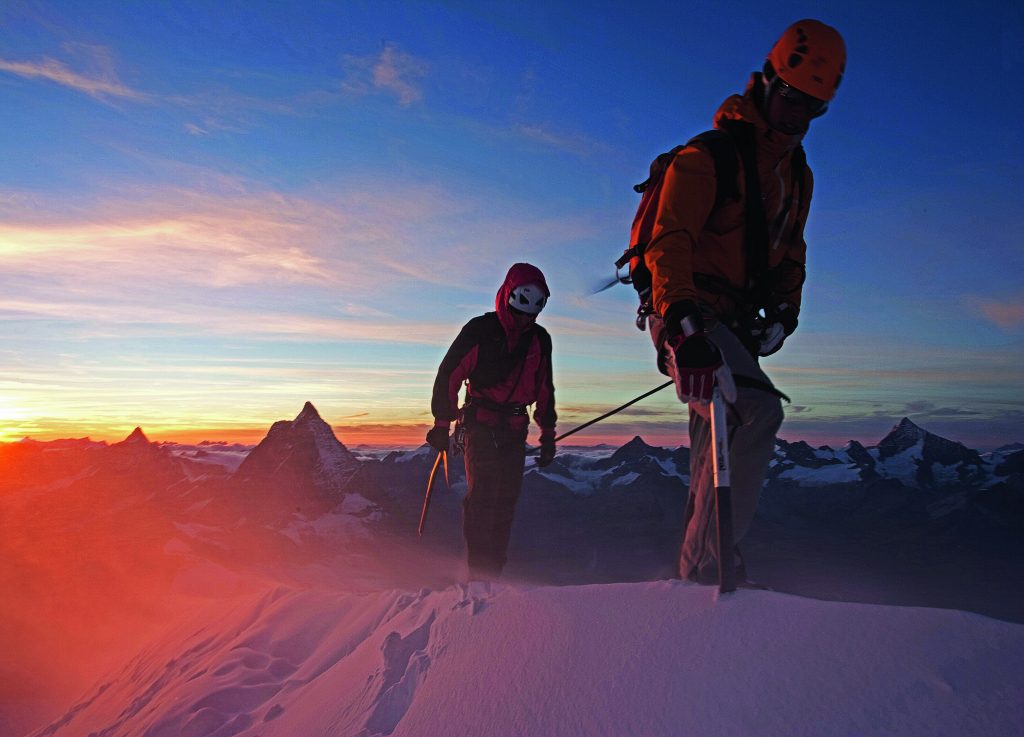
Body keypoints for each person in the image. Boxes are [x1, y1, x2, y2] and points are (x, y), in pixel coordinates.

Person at [643, 20, 846, 584]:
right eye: (791, 97)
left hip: (729, 321)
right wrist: (683, 325)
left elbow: (792, 250)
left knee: (714, 445)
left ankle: (692, 573)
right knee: (756, 409)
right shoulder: (709, 156)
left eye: (812, 107)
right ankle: (710, 568)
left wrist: (784, 312)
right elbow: (669, 241)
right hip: (687, 310)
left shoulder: (796, 175)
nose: (798, 115)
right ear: (767, 81)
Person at [427, 263, 557, 581]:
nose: (525, 320)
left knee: (504, 500)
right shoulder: (480, 331)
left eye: (530, 315)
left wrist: (548, 434)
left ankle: (492, 572)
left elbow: (544, 387)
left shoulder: (539, 340)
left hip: (514, 429)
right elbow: (450, 374)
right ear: (508, 298)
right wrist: (442, 424)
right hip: (481, 427)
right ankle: (480, 573)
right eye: (520, 313)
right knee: (484, 497)